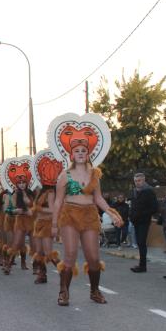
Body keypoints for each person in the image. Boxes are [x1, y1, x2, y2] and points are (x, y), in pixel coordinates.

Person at [50, 114, 123, 306]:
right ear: (71, 155)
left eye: (84, 150)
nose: (81, 153)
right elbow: (58, 202)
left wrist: (111, 213)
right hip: (70, 215)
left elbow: (98, 198)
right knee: (70, 254)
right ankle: (63, 292)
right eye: (77, 150)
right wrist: (54, 224)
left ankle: (95, 291)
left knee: (93, 256)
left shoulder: (95, 175)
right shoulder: (64, 176)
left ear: (88, 153)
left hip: (90, 215)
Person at [129, 173, 158, 273]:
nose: (137, 183)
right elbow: (133, 206)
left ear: (144, 180)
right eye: (136, 181)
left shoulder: (149, 191)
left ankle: (143, 266)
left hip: (144, 221)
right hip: (135, 221)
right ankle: (141, 264)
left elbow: (154, 208)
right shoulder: (134, 192)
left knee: (142, 242)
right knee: (139, 243)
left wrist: (142, 214)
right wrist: (131, 216)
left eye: (139, 180)